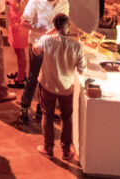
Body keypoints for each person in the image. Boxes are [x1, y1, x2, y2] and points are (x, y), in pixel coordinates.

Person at [19, 0, 72, 124]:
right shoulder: (35, 2)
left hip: (53, 45)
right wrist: (39, 29)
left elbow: (62, 23)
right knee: (33, 76)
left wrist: (52, 32)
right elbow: (23, 22)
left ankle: (41, 108)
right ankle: (24, 107)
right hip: (37, 44)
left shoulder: (64, 3)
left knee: (48, 77)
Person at [34, 13, 86, 160]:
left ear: (54, 26)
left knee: (47, 116)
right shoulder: (77, 47)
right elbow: (82, 69)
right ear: (68, 26)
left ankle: (48, 148)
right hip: (67, 88)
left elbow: (35, 49)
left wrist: (47, 34)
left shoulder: (47, 40)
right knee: (67, 117)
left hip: (48, 85)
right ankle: (66, 150)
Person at [7, 0, 35, 88]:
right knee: (17, 51)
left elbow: (19, 8)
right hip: (15, 23)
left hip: (21, 27)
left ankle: (20, 78)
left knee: (20, 52)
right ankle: (21, 72)